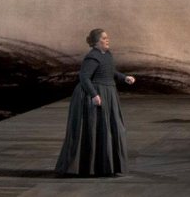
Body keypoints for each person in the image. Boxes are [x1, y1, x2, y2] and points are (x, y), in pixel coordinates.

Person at [55, 28, 136, 176]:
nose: (107, 40)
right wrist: (94, 95)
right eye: (104, 38)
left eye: (107, 37)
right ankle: (88, 167)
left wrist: (124, 77)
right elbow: (84, 77)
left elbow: (111, 72)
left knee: (110, 129)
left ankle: (106, 166)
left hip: (108, 93)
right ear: (96, 42)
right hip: (97, 94)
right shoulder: (92, 57)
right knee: (95, 129)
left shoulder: (107, 55)